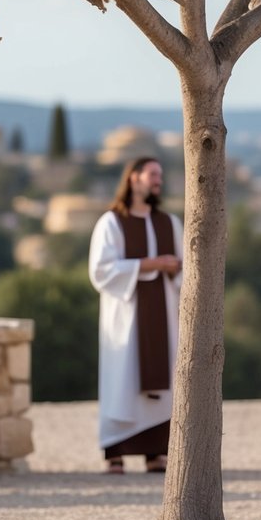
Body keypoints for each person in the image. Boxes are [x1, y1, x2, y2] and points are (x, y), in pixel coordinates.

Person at [88, 156, 182, 474]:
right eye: (153, 174)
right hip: (125, 317)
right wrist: (149, 264)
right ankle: (115, 451)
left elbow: (186, 269)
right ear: (134, 179)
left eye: (160, 175)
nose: (158, 180)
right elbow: (100, 271)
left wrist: (174, 269)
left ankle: (155, 452)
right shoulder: (111, 222)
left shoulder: (169, 222)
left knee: (163, 377)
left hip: (164, 313)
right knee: (122, 377)